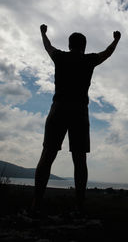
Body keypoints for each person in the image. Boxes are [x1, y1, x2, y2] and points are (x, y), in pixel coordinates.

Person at [31, 24, 121, 216]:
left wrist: (43, 33)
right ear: (84, 46)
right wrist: (116, 39)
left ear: (70, 44)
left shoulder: (60, 57)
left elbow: (48, 46)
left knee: (47, 155)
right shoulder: (89, 60)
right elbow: (107, 52)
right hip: (79, 111)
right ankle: (80, 207)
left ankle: (36, 205)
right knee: (80, 159)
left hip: (58, 108)